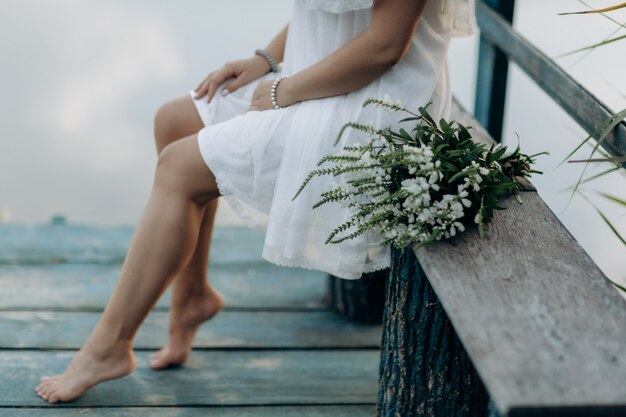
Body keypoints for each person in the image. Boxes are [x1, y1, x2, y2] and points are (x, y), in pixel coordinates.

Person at [35, 0, 475, 403]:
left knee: (178, 167)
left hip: (375, 105)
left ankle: (110, 346)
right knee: (174, 121)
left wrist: (283, 90)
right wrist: (264, 59)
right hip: (325, 77)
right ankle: (192, 298)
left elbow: (384, 46)